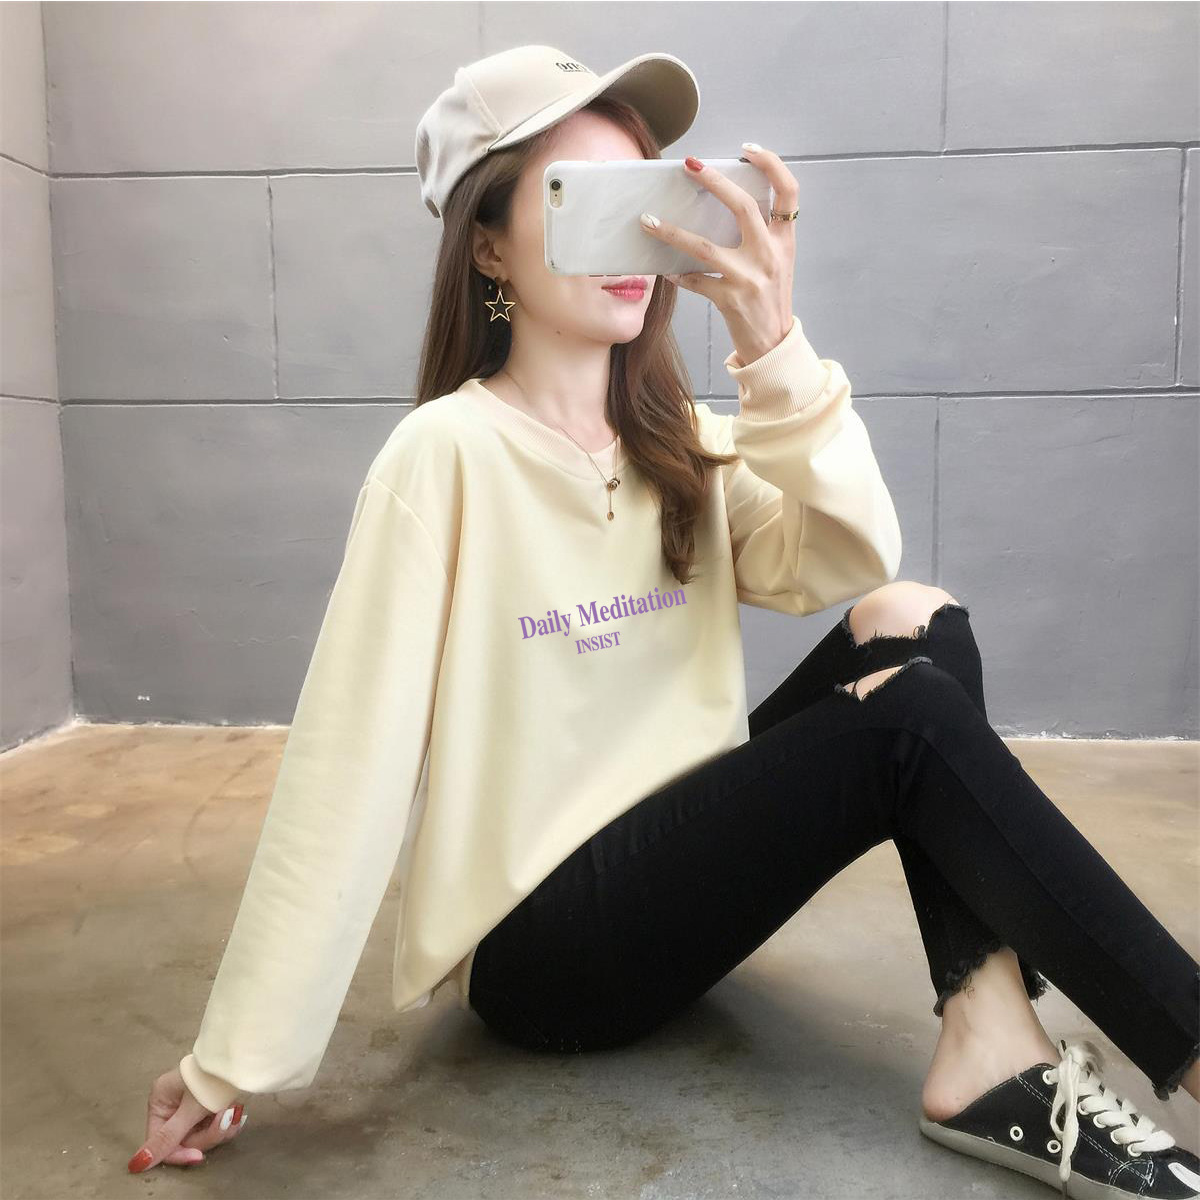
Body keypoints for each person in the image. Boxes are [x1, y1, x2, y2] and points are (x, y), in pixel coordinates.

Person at [129, 45, 1200, 1197]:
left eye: (644, 196)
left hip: (673, 885)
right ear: (487, 243)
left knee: (913, 619)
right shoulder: (444, 455)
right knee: (906, 722)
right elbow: (349, 761)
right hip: (543, 953)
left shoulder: (676, 440)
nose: (630, 235)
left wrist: (774, 349)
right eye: (578, 198)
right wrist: (232, 1053)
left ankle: (989, 1040)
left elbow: (851, 558)